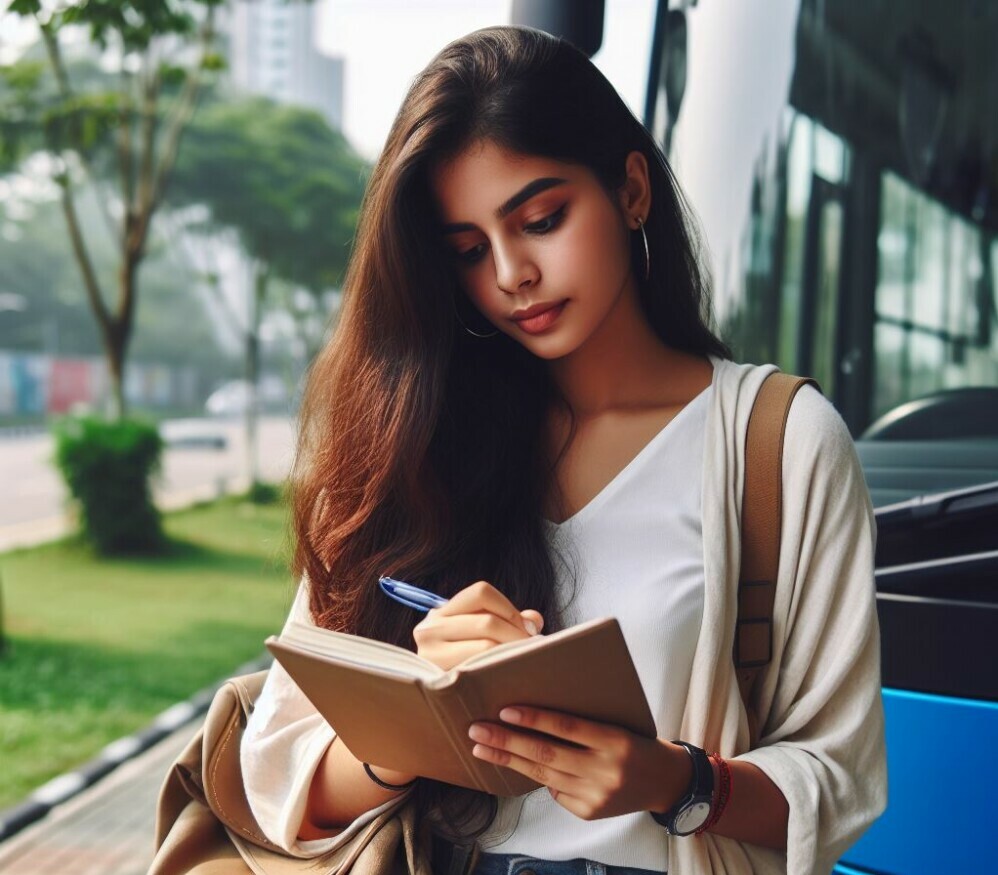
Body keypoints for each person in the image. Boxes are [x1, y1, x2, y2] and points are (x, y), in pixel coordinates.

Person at [241, 25, 886, 875]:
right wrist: (415, 727)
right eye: (468, 251)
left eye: (541, 219)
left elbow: (839, 778)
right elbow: (280, 773)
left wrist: (674, 777)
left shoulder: (779, 442)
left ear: (631, 189)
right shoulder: (407, 442)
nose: (512, 273)